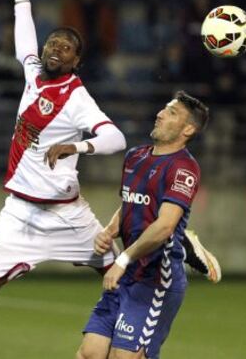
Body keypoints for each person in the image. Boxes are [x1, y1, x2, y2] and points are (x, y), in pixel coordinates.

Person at [0, 0, 219, 359]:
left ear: (76, 61)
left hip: (67, 214)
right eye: (52, 41)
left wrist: (77, 144)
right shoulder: (33, 73)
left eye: (66, 47)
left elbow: (115, 139)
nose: (54, 48)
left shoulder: (77, 98)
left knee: (121, 268)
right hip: (19, 213)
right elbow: (24, 32)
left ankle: (177, 246)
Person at [76, 91, 213, 359]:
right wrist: (109, 231)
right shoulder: (135, 155)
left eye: (172, 112)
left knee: (124, 357)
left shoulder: (184, 169)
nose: (160, 114)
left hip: (156, 279)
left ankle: (181, 245)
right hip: (128, 273)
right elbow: (129, 203)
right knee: (89, 353)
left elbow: (164, 226)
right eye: (164, 108)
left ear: (188, 129)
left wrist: (122, 259)